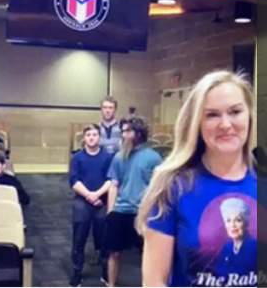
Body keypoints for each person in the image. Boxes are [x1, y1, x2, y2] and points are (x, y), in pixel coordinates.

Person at [139, 70, 257, 287]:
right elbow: (154, 280)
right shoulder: (172, 186)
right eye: (212, 114)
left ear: (249, 115)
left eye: (235, 112)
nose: (225, 124)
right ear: (197, 124)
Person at [104, 116, 163, 288]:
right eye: (122, 131)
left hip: (143, 213)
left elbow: (157, 188)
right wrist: (110, 212)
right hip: (121, 211)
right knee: (114, 253)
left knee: (147, 254)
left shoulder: (153, 158)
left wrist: (153, 212)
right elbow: (114, 185)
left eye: (127, 131)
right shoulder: (118, 157)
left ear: (138, 133)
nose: (123, 135)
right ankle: (111, 284)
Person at [69, 124, 111, 288]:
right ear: (84, 138)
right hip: (82, 202)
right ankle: (77, 274)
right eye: (88, 135)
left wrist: (97, 195)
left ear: (99, 137)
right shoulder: (77, 158)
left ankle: (105, 271)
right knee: (78, 240)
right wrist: (89, 195)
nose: (92, 137)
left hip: (101, 201)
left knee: (103, 240)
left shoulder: (107, 157)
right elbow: (74, 181)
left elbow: (110, 180)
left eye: (95, 134)